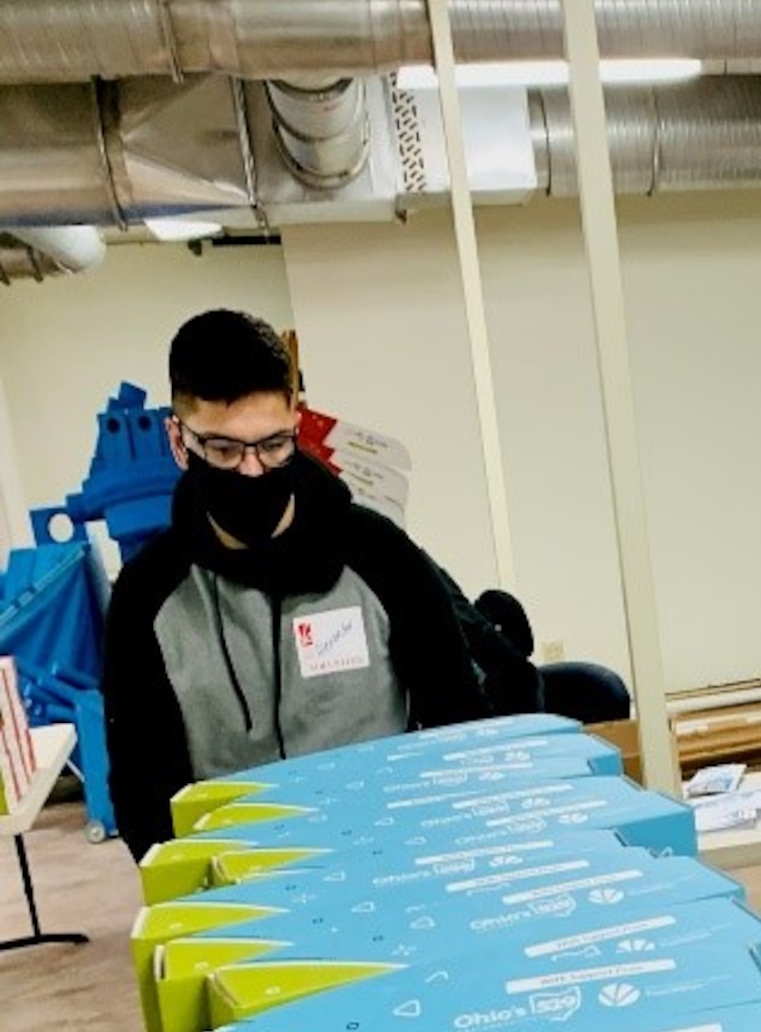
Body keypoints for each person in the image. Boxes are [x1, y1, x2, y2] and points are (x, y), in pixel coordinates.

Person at [102, 309, 487, 859]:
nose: (253, 471)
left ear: (297, 425)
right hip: (243, 891)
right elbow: (142, 790)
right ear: (178, 440)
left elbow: (460, 720)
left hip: (395, 863)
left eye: (274, 444)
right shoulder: (148, 595)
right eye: (225, 450)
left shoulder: (378, 554)